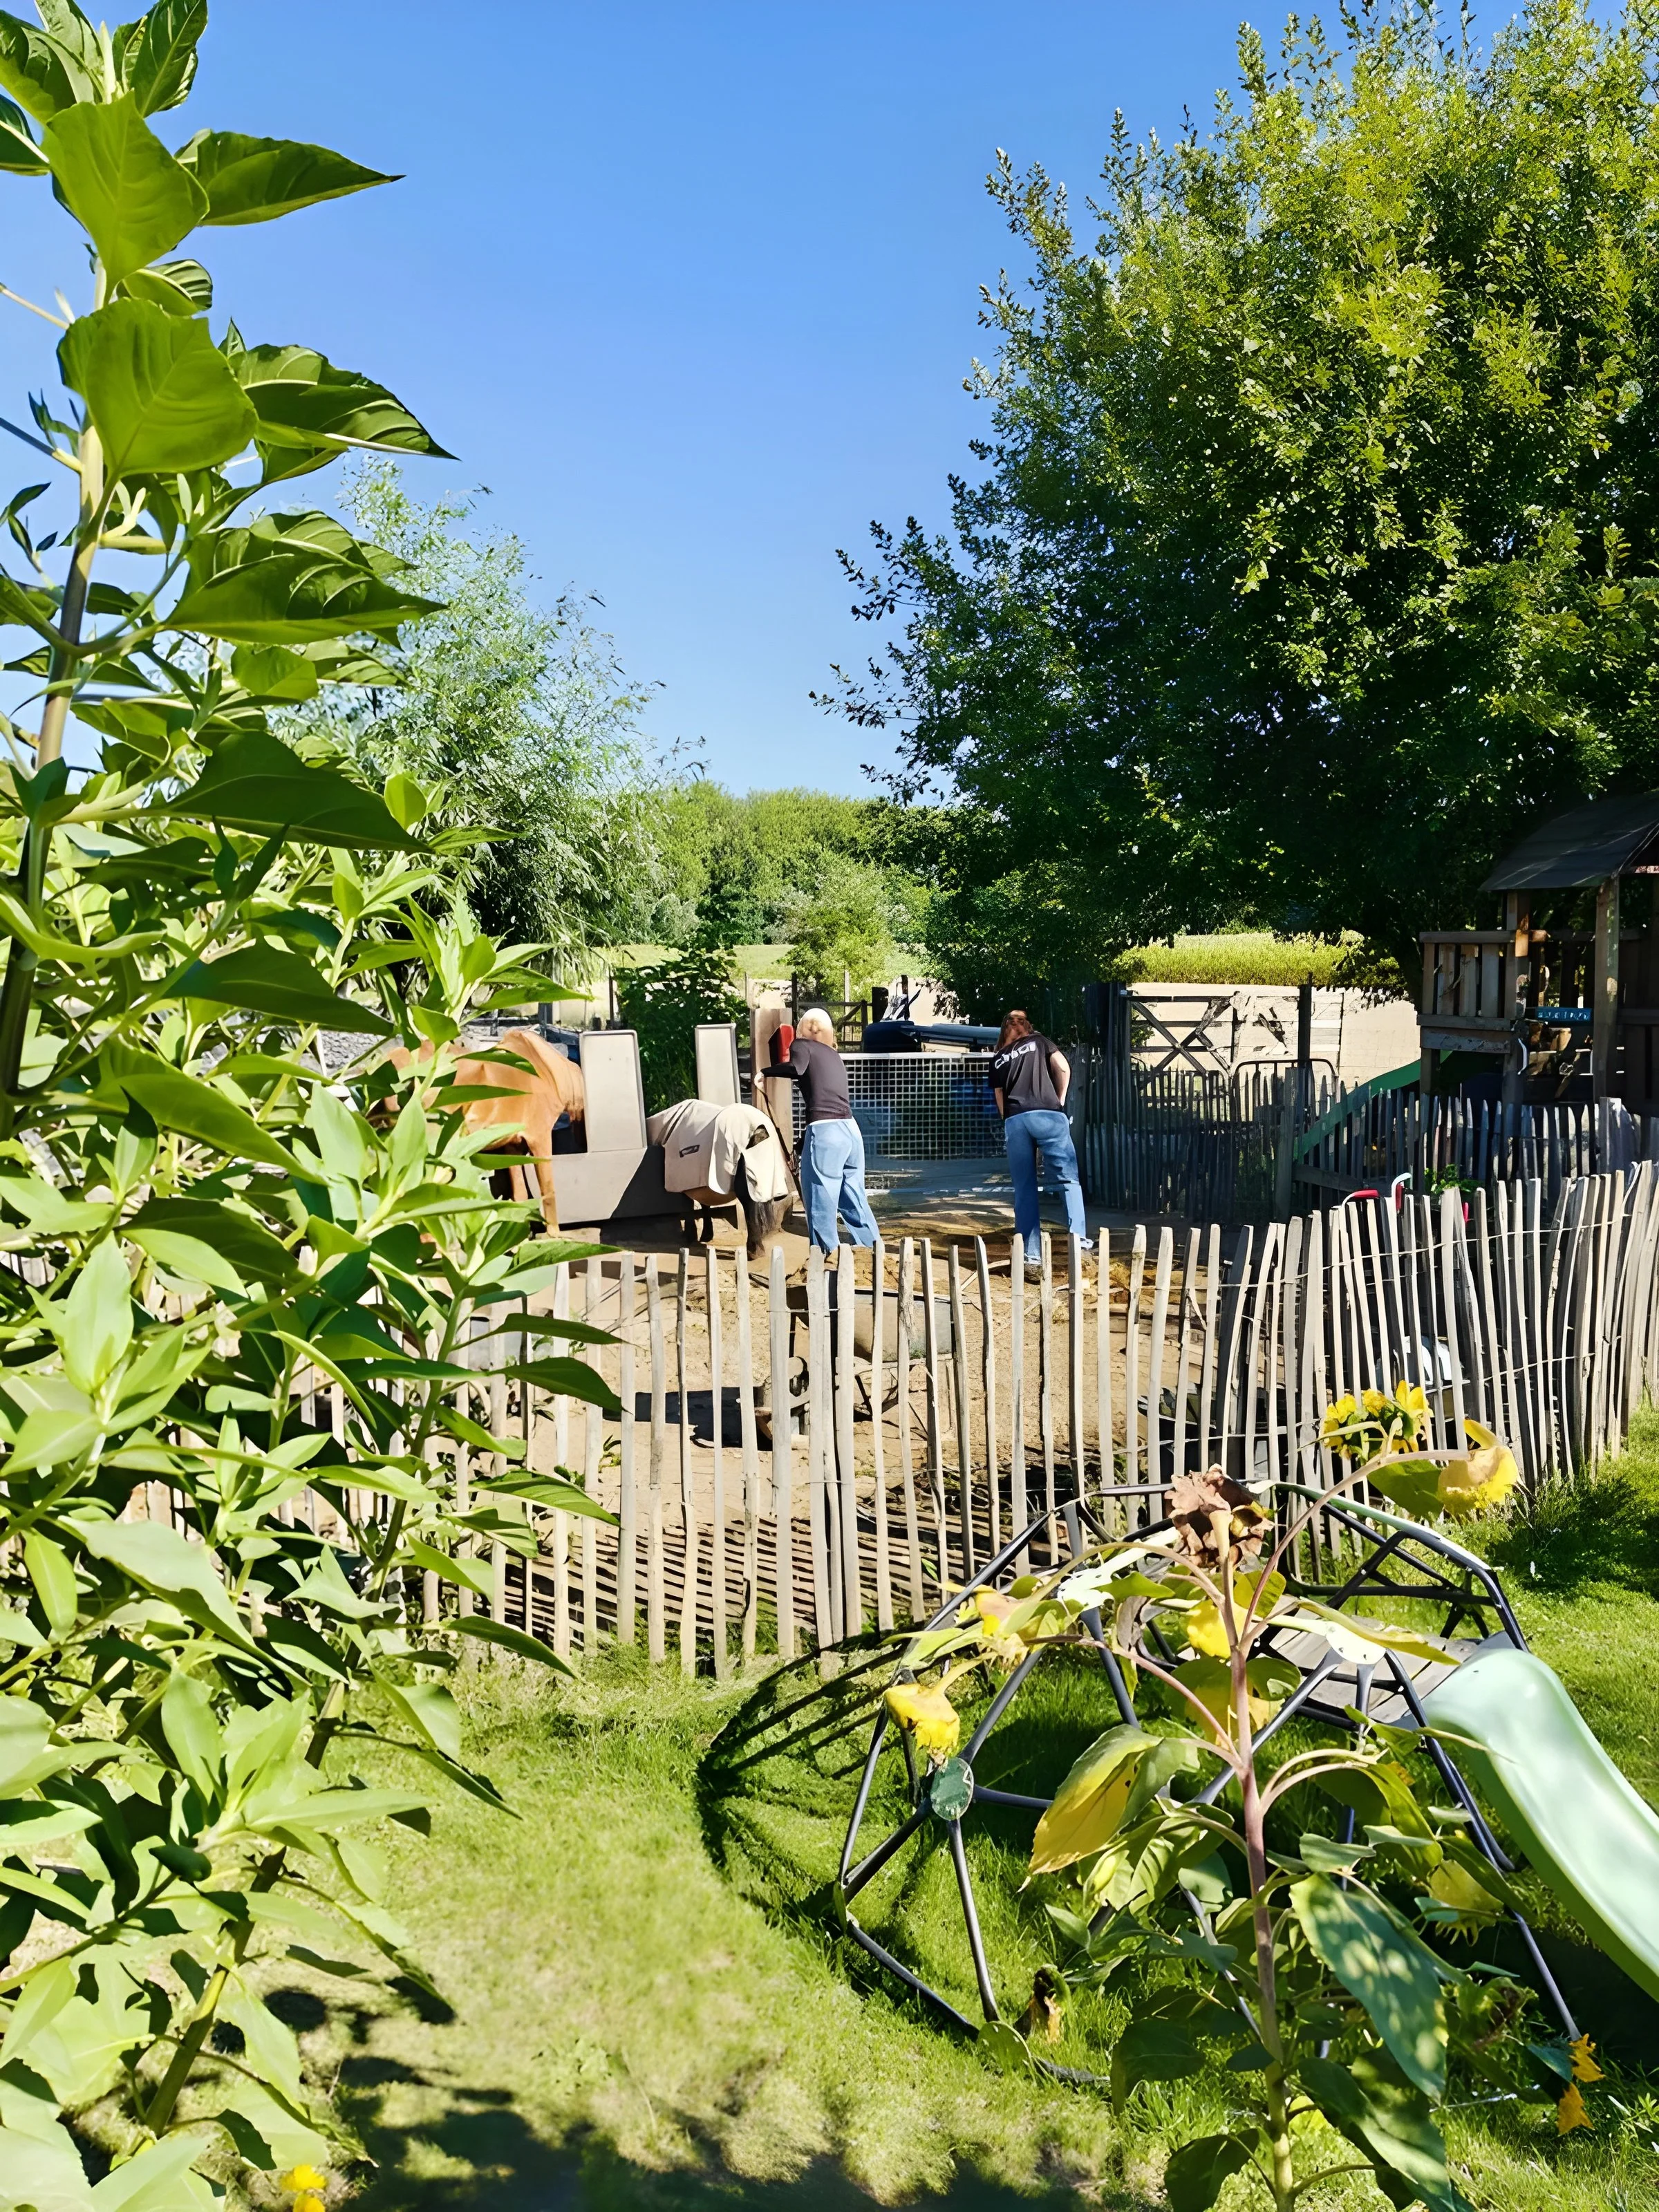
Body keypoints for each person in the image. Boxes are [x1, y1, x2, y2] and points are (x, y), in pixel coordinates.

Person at [766, 1006, 879, 1251]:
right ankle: (874, 1252)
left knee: (820, 1203)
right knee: (854, 1198)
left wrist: (765, 1073)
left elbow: (797, 1068)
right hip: (850, 1131)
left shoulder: (801, 1045)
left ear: (801, 1029)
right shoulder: (833, 1055)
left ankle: (825, 1260)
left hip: (826, 1130)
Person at [988, 1009, 1091, 1268]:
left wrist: (1008, 1121)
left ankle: (1030, 1255)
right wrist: (1059, 1101)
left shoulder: (998, 1057)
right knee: (1068, 1179)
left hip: (1016, 1121)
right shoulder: (1040, 1040)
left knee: (1024, 1188)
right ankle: (1078, 1241)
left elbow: (1000, 1097)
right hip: (1047, 1115)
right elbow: (1064, 1069)